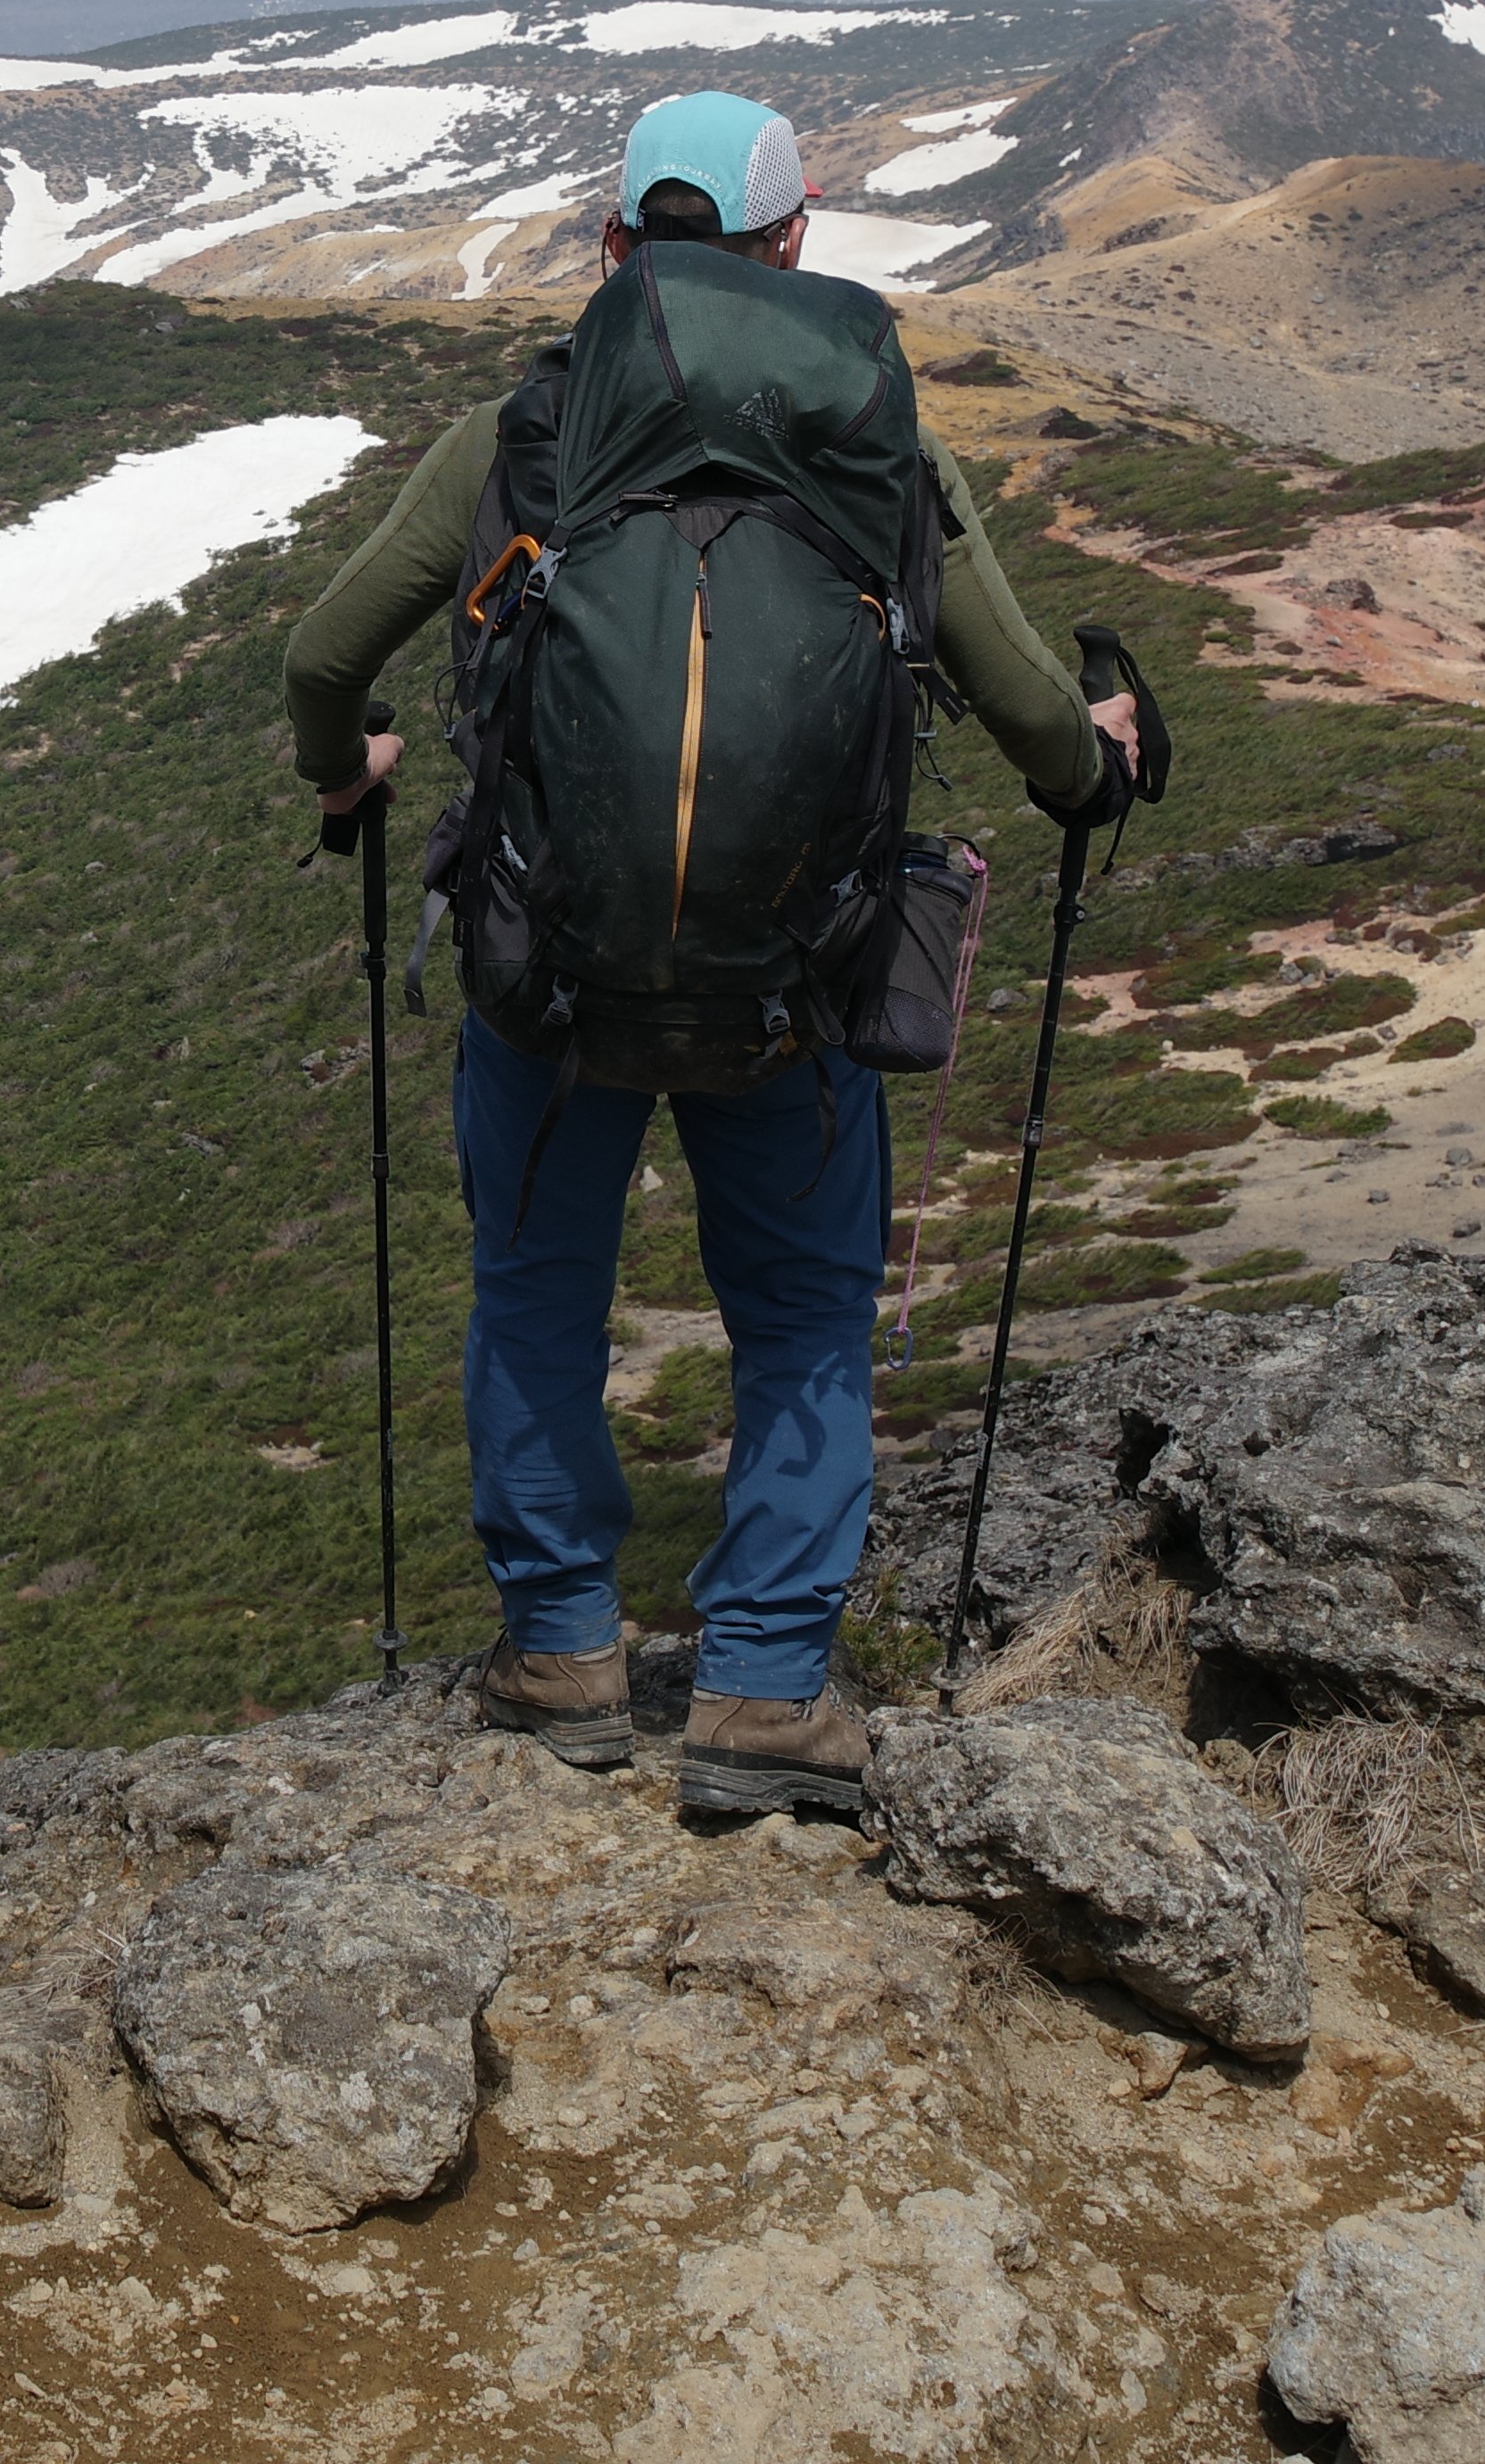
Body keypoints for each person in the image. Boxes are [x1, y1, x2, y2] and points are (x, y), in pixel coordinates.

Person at [281, 90, 1141, 1822]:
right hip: (793, 991)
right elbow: (1043, 728)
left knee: (537, 1291)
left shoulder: (515, 439)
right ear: (795, 247)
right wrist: (1106, 752)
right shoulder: (889, 450)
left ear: (616, 248)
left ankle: (563, 1654)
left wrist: (344, 769)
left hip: (551, 983)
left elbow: (321, 658)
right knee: (807, 1321)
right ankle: (761, 1691)